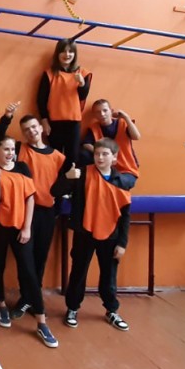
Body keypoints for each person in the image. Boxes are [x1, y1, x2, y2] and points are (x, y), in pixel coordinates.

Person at [0, 102, 66, 319]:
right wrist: (7, 117)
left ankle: (31, 299)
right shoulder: (20, 150)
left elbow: (63, 184)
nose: (31, 131)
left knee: (40, 257)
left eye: (34, 127)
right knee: (26, 259)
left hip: (47, 213)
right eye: (26, 129)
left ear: (41, 128)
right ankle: (26, 298)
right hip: (24, 212)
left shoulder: (58, 156)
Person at [52, 139, 133, 331]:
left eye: (105, 154)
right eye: (97, 154)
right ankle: (72, 308)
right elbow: (55, 191)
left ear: (114, 157)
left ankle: (112, 310)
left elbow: (125, 216)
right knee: (78, 272)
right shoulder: (81, 173)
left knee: (109, 275)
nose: (100, 157)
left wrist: (122, 243)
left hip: (111, 235)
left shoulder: (122, 182)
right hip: (84, 233)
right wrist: (67, 177)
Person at [0, 138, 58, 348]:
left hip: (20, 227)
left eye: (12, 149)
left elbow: (30, 198)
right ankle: (1, 305)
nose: (10, 153)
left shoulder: (23, 168)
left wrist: (26, 228)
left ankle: (41, 322)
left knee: (29, 271)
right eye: (6, 149)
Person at [37, 38, 92, 167]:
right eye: (63, 51)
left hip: (73, 123)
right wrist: (44, 120)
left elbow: (83, 97)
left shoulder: (83, 73)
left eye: (70, 51)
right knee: (55, 157)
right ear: (58, 53)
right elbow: (41, 99)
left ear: (75, 54)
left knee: (72, 158)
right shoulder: (49, 73)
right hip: (54, 122)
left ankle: (69, 180)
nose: (67, 54)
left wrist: (82, 84)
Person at [80, 99, 140, 188]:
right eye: (98, 112)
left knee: (116, 183)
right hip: (106, 170)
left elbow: (136, 136)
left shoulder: (123, 123)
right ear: (94, 115)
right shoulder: (94, 128)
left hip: (126, 170)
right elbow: (86, 144)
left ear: (111, 111)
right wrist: (101, 153)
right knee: (83, 154)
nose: (102, 114)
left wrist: (126, 117)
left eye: (105, 110)